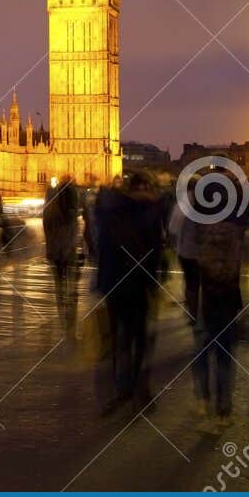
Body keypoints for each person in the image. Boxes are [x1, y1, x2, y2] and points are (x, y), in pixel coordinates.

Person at [91, 172, 165, 415]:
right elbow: (155, 250)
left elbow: (99, 244)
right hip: (138, 282)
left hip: (114, 282)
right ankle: (139, 390)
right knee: (140, 338)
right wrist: (155, 281)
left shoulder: (111, 212)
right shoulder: (149, 212)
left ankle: (123, 389)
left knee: (120, 339)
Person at [190, 174, 249, 417]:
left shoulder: (199, 222)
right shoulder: (236, 227)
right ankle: (224, 404)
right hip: (229, 290)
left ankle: (204, 398)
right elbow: (242, 266)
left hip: (206, 291)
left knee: (202, 346)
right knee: (226, 350)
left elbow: (191, 252)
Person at [42, 179, 82, 336]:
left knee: (60, 285)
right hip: (66, 251)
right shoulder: (70, 210)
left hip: (57, 252)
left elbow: (48, 230)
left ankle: (65, 316)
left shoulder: (51, 209)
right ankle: (69, 318)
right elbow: (74, 232)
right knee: (70, 286)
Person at [165, 177, 200, 325]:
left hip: (187, 250)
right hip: (206, 250)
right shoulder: (210, 202)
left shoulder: (183, 204)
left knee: (191, 283)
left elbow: (173, 228)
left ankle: (193, 314)